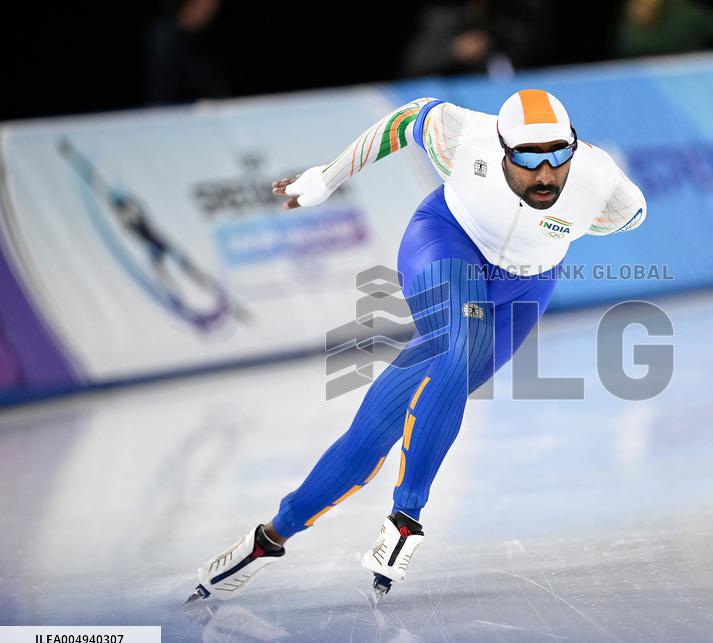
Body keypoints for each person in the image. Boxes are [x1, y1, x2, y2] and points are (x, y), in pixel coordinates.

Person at [188, 89, 647, 603]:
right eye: (527, 160)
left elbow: (631, 216)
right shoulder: (465, 135)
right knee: (456, 346)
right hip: (447, 242)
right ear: (500, 151)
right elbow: (407, 119)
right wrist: (327, 178)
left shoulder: (599, 177)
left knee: (377, 428)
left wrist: (563, 230)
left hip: (525, 284)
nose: (545, 175)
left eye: (558, 157)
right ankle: (406, 518)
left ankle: (268, 538)